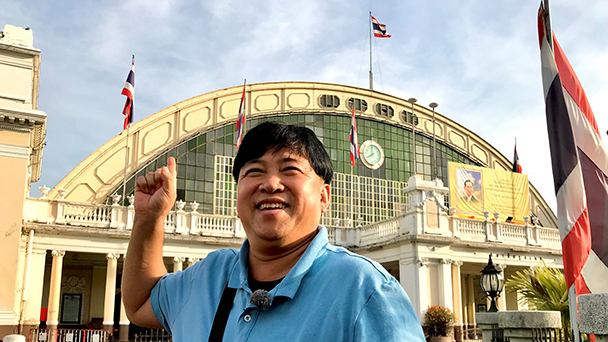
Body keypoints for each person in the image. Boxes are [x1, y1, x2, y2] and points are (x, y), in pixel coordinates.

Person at [122, 121, 425, 341]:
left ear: (323, 197)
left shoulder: (364, 289)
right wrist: (149, 217)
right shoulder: (207, 277)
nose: (270, 183)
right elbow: (139, 304)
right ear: (237, 192)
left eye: (290, 169)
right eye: (254, 171)